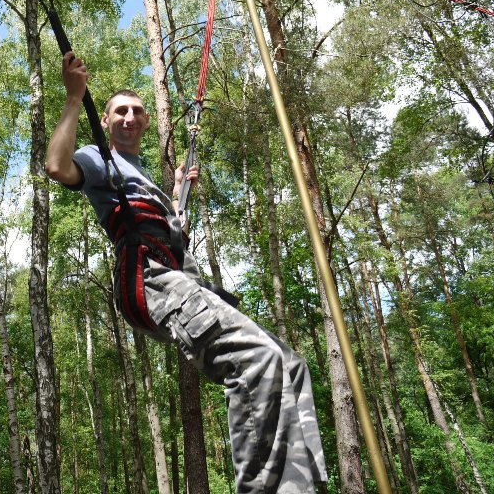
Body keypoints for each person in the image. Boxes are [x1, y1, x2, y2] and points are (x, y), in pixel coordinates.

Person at [46, 52, 327, 494]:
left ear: (145, 122)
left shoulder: (144, 178)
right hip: (149, 279)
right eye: (120, 111)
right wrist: (73, 98)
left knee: (290, 364)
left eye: (137, 111)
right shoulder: (99, 158)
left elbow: (169, 231)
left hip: (177, 277)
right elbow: (57, 167)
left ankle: (301, 485)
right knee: (258, 361)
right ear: (106, 120)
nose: (130, 117)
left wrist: (175, 194)